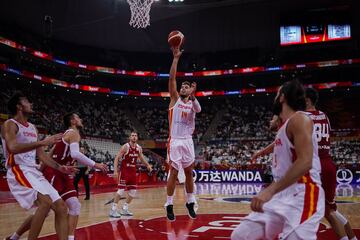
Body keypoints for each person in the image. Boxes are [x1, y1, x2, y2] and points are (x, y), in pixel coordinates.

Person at [231, 80, 324, 240]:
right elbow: (278, 144)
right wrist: (261, 152)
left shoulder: (300, 119)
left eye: (276, 94)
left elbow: (305, 161)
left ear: (282, 97)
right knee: (241, 235)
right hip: (281, 194)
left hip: (303, 192)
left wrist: (269, 190)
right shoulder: (286, 125)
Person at [6, 112, 108, 240]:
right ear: (73, 121)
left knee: (74, 205)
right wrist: (95, 164)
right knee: (47, 210)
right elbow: (75, 154)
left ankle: (70, 238)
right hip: (54, 173)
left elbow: (51, 153)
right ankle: (15, 236)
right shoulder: (73, 133)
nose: (81, 119)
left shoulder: (66, 135)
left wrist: (41, 168)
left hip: (64, 174)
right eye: (78, 117)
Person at [2, 92, 77, 240]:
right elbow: (13, 147)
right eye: (27, 101)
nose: (31, 104)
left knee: (61, 207)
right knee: (46, 203)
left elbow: (42, 155)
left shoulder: (32, 127)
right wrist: (43, 142)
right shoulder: (10, 124)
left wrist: (59, 167)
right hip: (18, 169)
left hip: (33, 170)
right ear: (19, 106)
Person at [305, 87, 357, 240]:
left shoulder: (302, 116)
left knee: (325, 211)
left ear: (307, 99)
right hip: (328, 163)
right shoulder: (324, 116)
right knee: (332, 209)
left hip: (315, 165)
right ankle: (352, 238)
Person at [165, 46, 201, 221]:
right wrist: (176, 59)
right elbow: (172, 78)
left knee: (188, 172)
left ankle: (190, 201)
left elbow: (199, 109)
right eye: (182, 86)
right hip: (175, 140)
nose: (183, 88)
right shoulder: (174, 99)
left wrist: (194, 96)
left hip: (188, 141)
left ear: (191, 91)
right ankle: (169, 204)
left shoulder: (193, 103)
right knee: (173, 172)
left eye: (186, 86)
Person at [109, 131, 152, 218]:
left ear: (137, 138)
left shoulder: (139, 148)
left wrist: (147, 165)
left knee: (133, 191)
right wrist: (115, 171)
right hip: (124, 172)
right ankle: (113, 210)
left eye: (135, 135)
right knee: (121, 191)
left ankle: (125, 208)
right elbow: (117, 158)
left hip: (132, 172)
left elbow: (141, 158)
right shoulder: (126, 146)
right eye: (132, 135)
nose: (134, 137)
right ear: (130, 137)